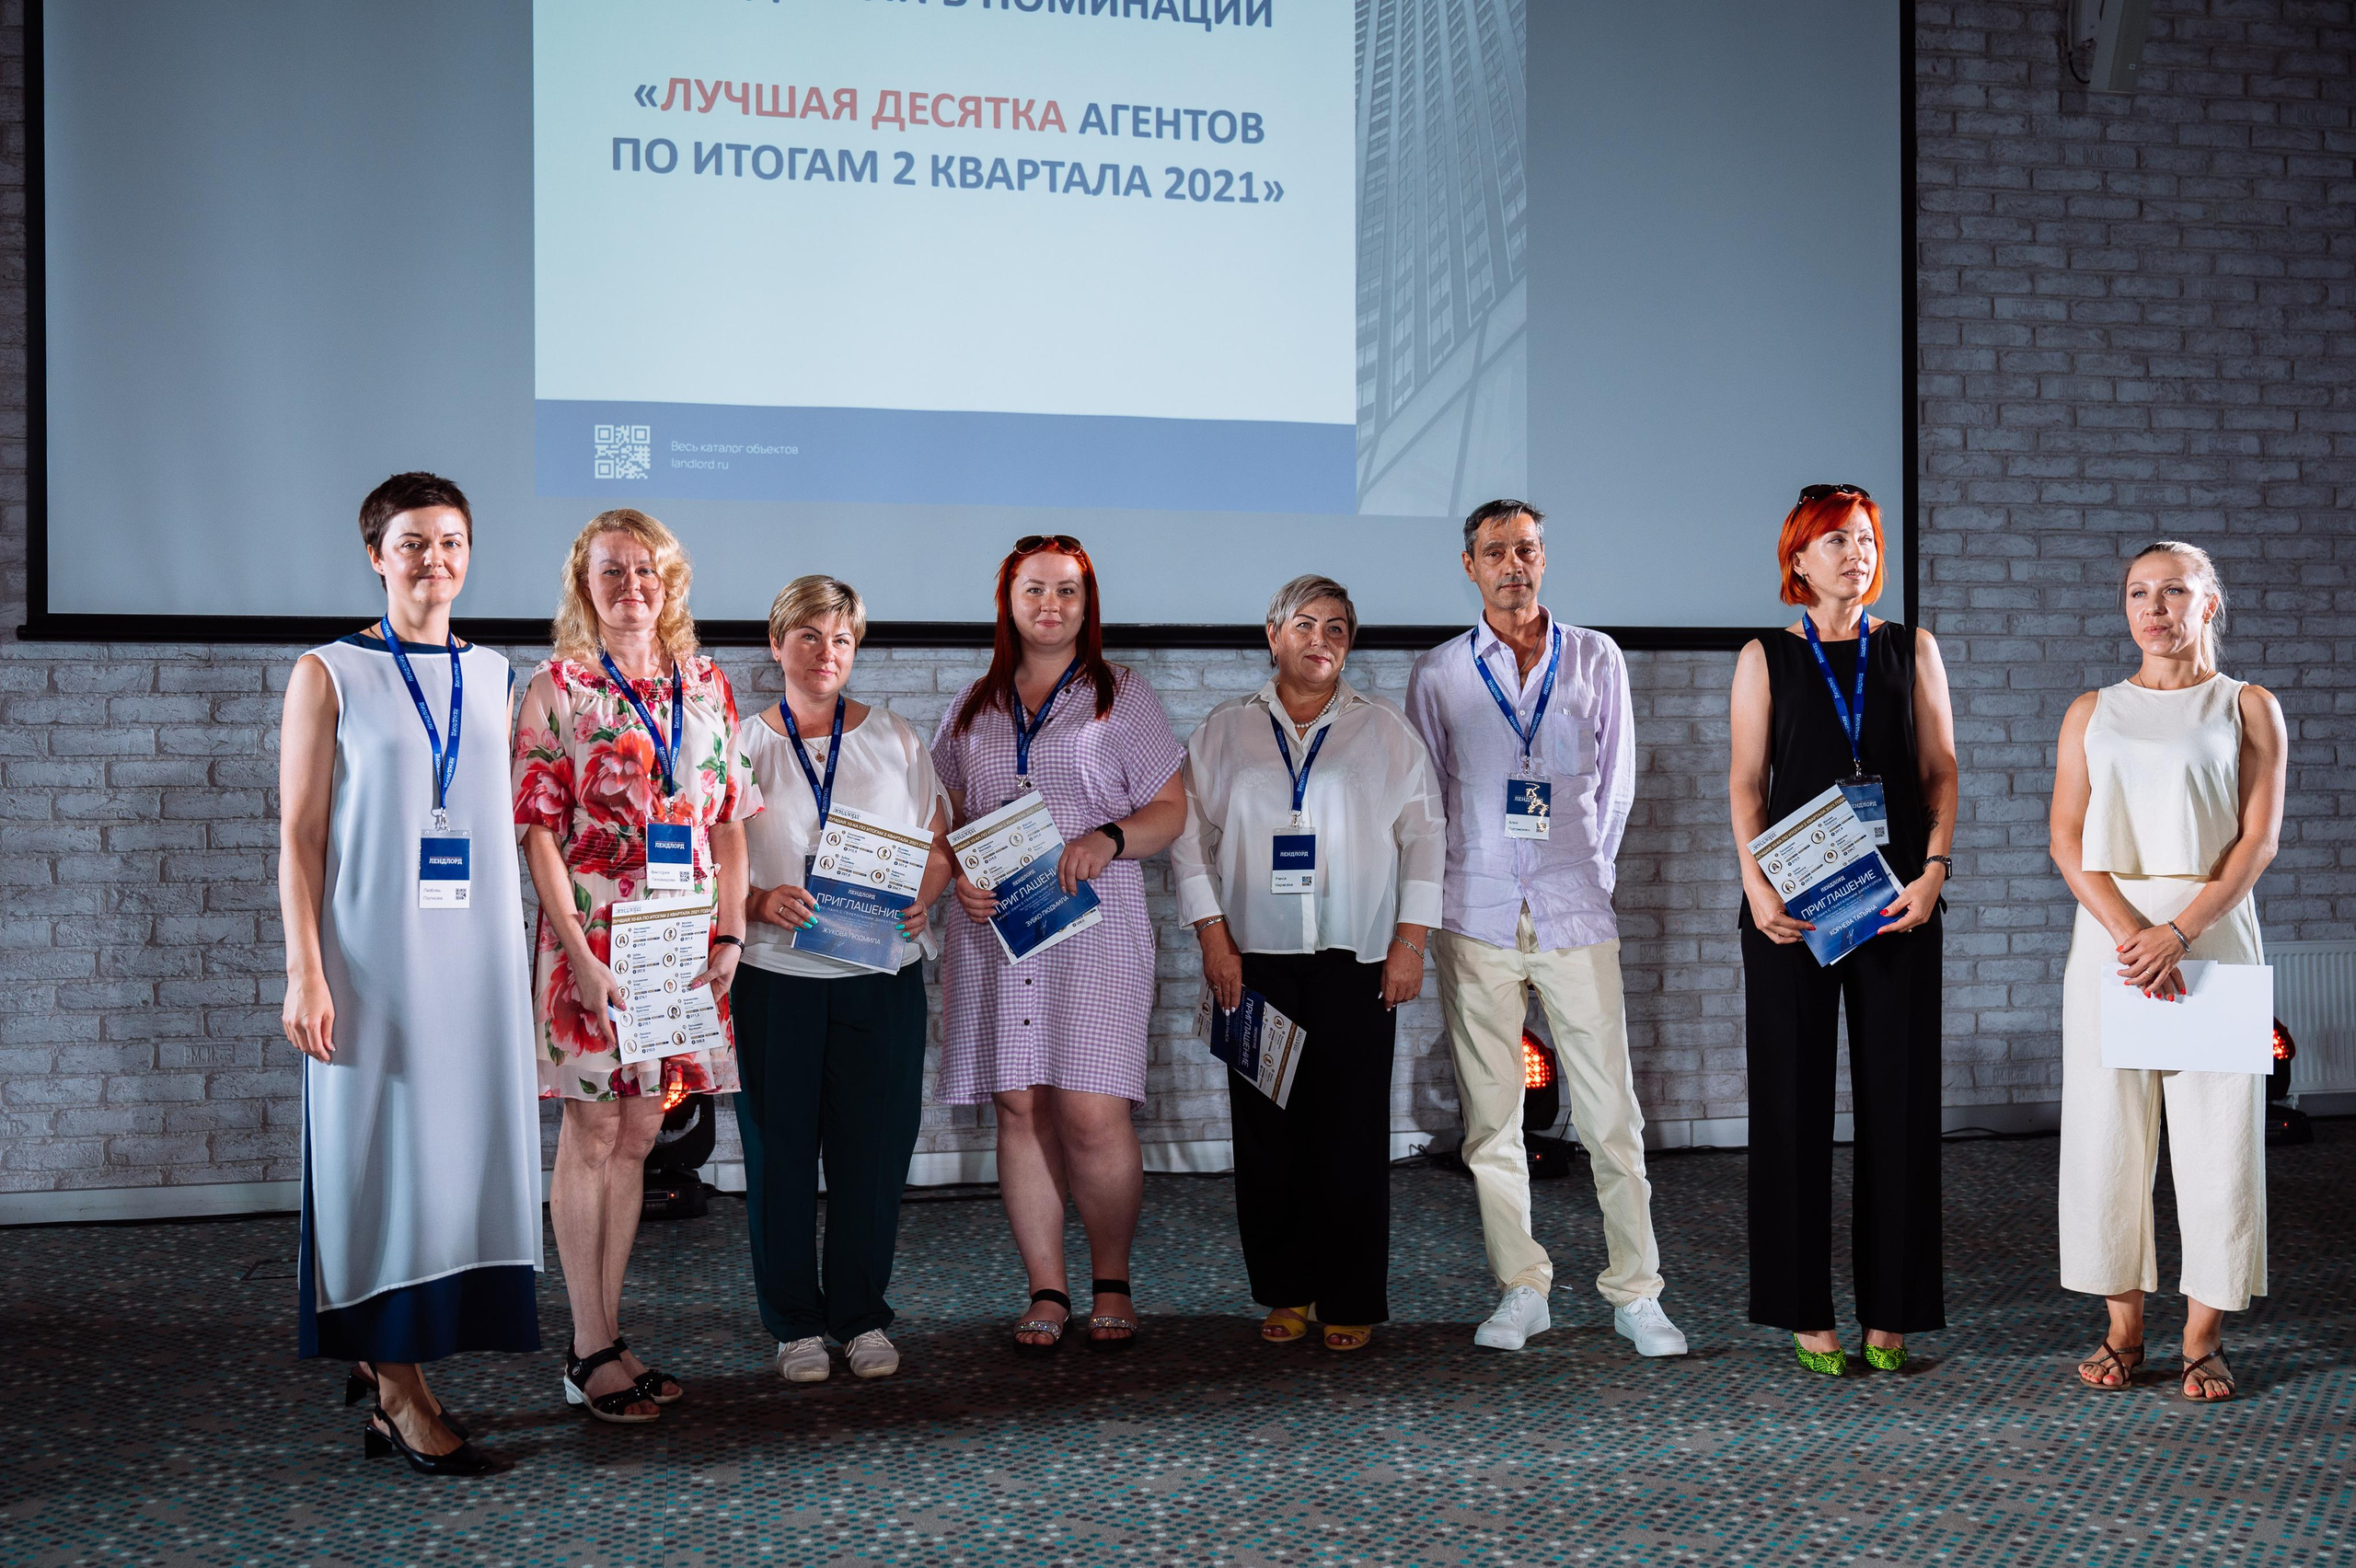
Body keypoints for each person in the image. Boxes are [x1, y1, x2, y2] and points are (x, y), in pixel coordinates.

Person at [277, 472, 539, 1476]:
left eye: (453, 541)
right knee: (377, 1158)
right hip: (367, 957)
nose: (436, 560)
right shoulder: (329, 672)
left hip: (470, 956)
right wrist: (306, 970)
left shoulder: (496, 674)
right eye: (414, 543)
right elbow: (300, 835)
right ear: (376, 555)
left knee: (455, 1159)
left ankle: (390, 1356)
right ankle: (398, 1388)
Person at [1406, 500, 1687, 1357]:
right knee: (1493, 1122)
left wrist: (1586, 878)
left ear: (1543, 556)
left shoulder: (1595, 657)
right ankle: (1521, 1288)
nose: (1513, 566)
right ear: (1470, 566)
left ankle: (1636, 1294)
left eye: (1526, 549)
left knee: (1612, 1115)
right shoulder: (1440, 672)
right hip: (1474, 914)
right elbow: (1429, 802)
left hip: (1573, 911)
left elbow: (1617, 787)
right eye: (1495, 552)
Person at [512, 508, 755, 1423]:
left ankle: (603, 1340)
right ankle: (588, 1344)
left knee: (642, 1136)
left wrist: (730, 935)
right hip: (592, 943)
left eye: (646, 570)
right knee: (591, 1134)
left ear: (672, 581)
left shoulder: (705, 685)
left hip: (683, 945)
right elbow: (535, 834)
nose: (631, 587)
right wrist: (576, 954)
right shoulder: (554, 687)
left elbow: (729, 823)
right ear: (585, 584)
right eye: (610, 572)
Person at [1172, 575, 1444, 1353]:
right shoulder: (1224, 731)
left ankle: (1350, 1294)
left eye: (1337, 628)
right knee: (1268, 1136)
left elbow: (1426, 835)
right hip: (1254, 961)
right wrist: (1212, 939)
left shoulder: (1384, 731)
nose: (1320, 639)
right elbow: (1192, 842)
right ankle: (1286, 1290)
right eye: (1304, 624)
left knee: (1351, 1134)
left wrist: (1411, 941)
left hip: (1358, 960)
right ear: (1272, 635)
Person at [930, 536, 1186, 1353]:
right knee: (1021, 1104)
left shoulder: (1123, 698)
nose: (1051, 605)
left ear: (1087, 603)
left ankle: (1111, 1278)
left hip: (1095, 930)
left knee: (1091, 1109)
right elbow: (949, 819)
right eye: (1035, 590)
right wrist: (960, 874)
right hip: (996, 933)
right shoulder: (971, 707)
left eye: (1068, 592)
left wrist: (1111, 837)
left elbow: (1170, 810)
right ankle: (1047, 1287)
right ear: (1008, 600)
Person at [1727, 483, 1957, 1377]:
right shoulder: (1765, 657)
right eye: (1833, 542)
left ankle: (1892, 1307)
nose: (1854, 555)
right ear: (1797, 560)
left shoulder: (1911, 650)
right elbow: (1747, 782)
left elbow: (1940, 771)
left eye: (1864, 540)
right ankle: (1803, 1307)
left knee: (1898, 1109)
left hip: (1897, 903)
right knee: (1790, 1109)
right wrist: (1753, 888)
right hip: (1790, 908)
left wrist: (1935, 873)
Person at [2050, 541, 2285, 1403]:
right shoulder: (2091, 711)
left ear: (2209, 603)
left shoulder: (2248, 707)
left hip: (2212, 937)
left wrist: (2179, 932)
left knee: (2219, 1141)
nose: (2154, 607)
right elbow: (2067, 839)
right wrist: (2132, 935)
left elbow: (2257, 839)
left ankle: (2203, 1338)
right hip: (2112, 943)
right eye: (2138, 592)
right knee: (2107, 1138)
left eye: (2174, 591)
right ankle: (2122, 1330)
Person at [731, 576, 953, 1385]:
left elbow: (937, 843)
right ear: (778, 642)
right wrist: (757, 900)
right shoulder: (741, 742)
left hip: (878, 975)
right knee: (781, 1153)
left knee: (872, 1152)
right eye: (811, 637)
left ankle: (860, 1317)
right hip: (777, 976)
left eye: (843, 640)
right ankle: (793, 1325)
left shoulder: (895, 737)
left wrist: (921, 905)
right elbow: (710, 862)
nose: (827, 655)